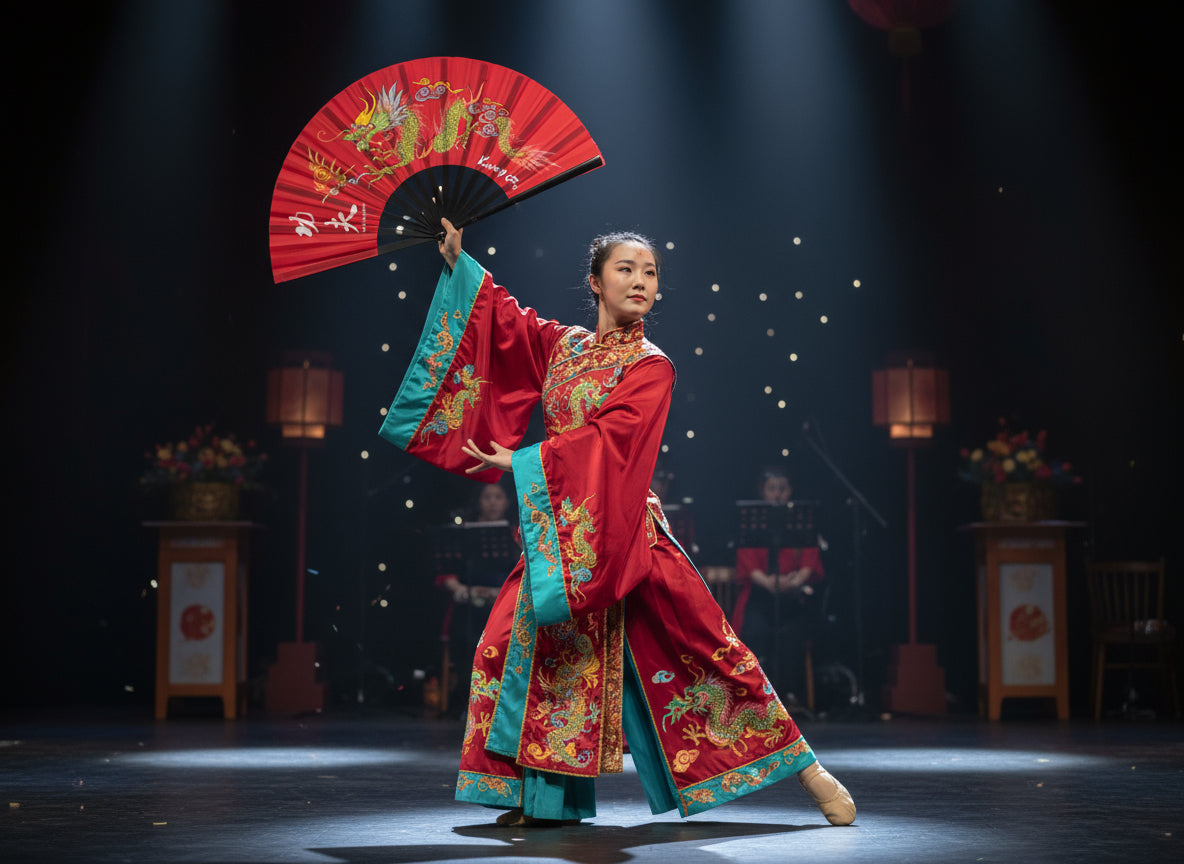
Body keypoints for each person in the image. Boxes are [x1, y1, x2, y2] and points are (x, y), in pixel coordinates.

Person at [378, 218, 854, 827]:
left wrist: (523, 459)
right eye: (626, 269)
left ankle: (812, 773)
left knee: (709, 655)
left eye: (650, 272)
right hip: (562, 537)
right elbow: (505, 322)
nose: (640, 281)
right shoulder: (565, 346)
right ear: (596, 282)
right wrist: (459, 263)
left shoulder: (652, 367)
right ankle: (545, 801)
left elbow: (612, 441)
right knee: (513, 651)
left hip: (630, 538)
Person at [730, 467, 825, 711]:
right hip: (761, 595)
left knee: (792, 636)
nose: (777, 494)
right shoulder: (753, 523)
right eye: (772, 489)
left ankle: (789, 695)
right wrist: (771, 583)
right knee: (755, 631)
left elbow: (809, 560)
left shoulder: (800, 523)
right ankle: (754, 697)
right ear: (762, 491)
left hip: (793, 595)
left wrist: (794, 582)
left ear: (790, 491)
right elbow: (748, 565)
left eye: (782, 489)